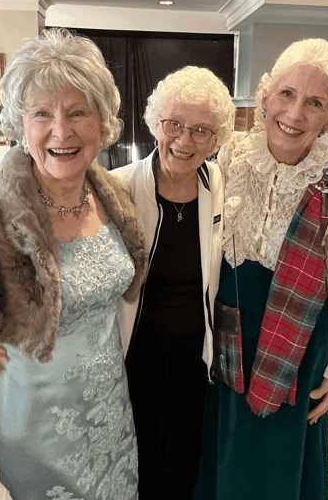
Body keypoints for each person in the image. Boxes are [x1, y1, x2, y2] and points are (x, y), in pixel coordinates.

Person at [0, 28, 148, 500]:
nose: (61, 131)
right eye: (42, 113)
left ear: (103, 121)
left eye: (78, 112)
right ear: (21, 124)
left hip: (112, 431)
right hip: (28, 443)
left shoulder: (113, 195)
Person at [194, 39, 328, 500]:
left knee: (279, 464)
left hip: (299, 342)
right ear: (265, 96)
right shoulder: (224, 159)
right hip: (229, 333)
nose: (295, 113)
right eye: (287, 94)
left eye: (315, 103)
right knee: (227, 451)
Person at [114, 66, 235, 500]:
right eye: (174, 124)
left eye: (201, 130)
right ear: (155, 124)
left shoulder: (219, 184)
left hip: (196, 356)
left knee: (185, 460)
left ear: (216, 139)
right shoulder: (118, 187)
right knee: (138, 461)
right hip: (134, 354)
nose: (185, 140)